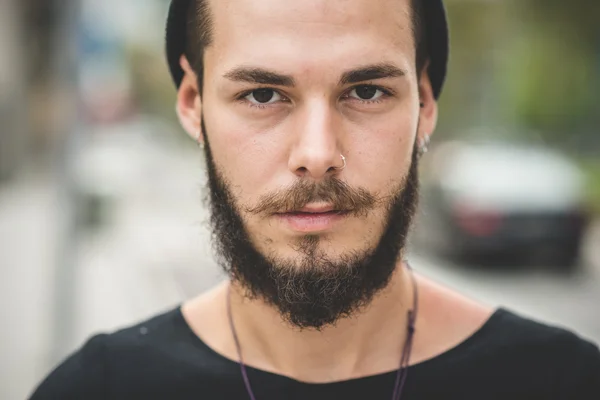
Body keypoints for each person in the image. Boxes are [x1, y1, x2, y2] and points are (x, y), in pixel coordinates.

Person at [30, 0, 600, 399]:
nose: (318, 152)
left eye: (367, 91)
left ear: (424, 103)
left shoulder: (564, 383)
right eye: (262, 94)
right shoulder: (99, 388)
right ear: (191, 103)